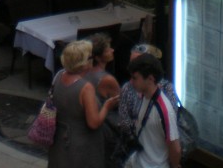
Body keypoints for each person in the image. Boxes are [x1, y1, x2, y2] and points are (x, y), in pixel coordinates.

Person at [48, 39, 119, 168]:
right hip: (81, 147)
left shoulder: (59, 76)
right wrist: (107, 106)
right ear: (83, 62)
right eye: (90, 57)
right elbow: (94, 122)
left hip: (59, 142)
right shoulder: (85, 88)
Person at [124, 53, 180, 168]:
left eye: (135, 78)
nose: (131, 82)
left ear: (150, 79)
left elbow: (175, 148)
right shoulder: (143, 96)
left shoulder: (165, 110)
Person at [117, 43, 176, 145]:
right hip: (137, 146)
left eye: (137, 63)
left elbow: (172, 119)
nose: (132, 68)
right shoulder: (127, 88)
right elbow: (124, 121)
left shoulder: (167, 89)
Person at [84, 33, 121, 167]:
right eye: (107, 49)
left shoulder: (84, 72)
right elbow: (122, 104)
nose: (112, 50)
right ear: (98, 57)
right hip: (107, 130)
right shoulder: (107, 80)